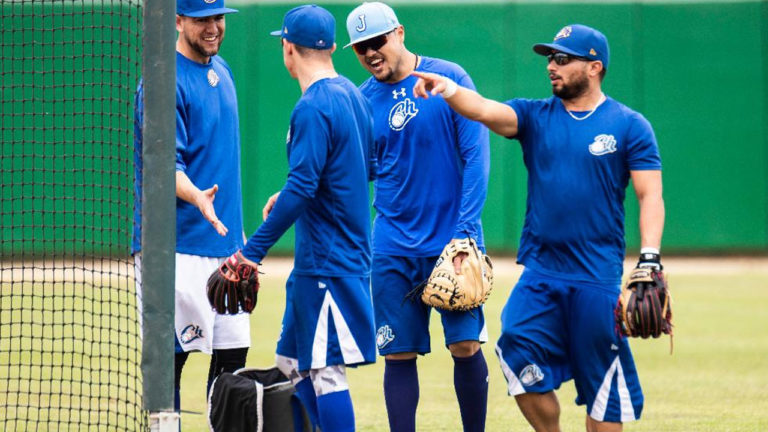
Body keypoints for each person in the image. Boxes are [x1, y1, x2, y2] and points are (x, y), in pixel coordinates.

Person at [413, 24, 665, 432]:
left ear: (594, 67)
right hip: (541, 274)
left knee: (602, 386)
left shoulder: (629, 125)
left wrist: (650, 257)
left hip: (596, 278)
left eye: (563, 59)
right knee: (513, 347)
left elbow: (649, 195)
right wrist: (448, 89)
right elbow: (483, 109)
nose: (552, 66)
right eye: (550, 57)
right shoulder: (534, 116)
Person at [344, 3, 491, 431]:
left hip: (452, 243)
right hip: (392, 244)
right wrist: (298, 190)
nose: (371, 53)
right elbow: (355, 173)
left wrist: (465, 235)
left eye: (378, 41)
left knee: (464, 345)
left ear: (400, 33)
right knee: (397, 352)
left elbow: (476, 159)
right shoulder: (361, 100)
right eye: (360, 47)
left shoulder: (449, 79)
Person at [232, 5, 376, 432]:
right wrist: (297, 190)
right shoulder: (353, 93)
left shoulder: (313, 106)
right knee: (291, 366)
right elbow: (362, 167)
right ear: (332, 46)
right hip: (326, 258)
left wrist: (249, 253)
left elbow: (305, 187)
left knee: (326, 372)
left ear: (287, 48)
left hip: (328, 263)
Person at [133, 0, 249, 416]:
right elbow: (165, 165)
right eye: (203, 20)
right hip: (176, 248)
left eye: (218, 18)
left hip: (225, 246)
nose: (214, 27)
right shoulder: (163, 82)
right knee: (172, 362)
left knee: (234, 361)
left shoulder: (225, 71)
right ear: (178, 21)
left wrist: (239, 237)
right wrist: (198, 196)